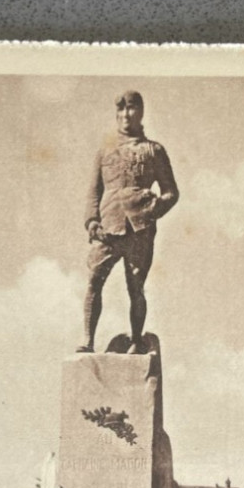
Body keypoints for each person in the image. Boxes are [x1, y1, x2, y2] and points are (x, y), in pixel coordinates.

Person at [78, 91, 179, 354]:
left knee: (135, 285)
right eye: (121, 111)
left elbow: (171, 192)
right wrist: (91, 222)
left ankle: (136, 340)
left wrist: (152, 210)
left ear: (141, 113)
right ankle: (87, 341)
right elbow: (93, 190)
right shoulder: (105, 152)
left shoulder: (154, 151)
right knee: (93, 281)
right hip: (108, 227)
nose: (126, 116)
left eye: (131, 110)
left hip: (139, 229)